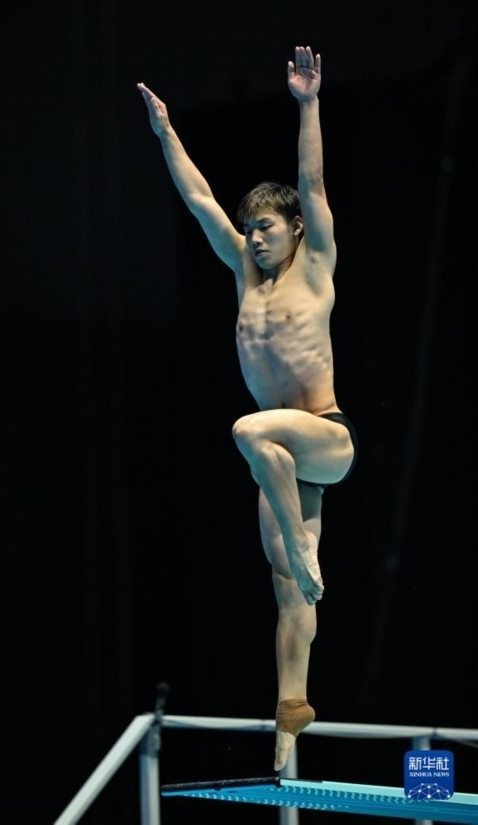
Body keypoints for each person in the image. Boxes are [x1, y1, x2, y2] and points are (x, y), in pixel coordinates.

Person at [137, 45, 358, 772]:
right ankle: (291, 715)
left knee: (248, 429)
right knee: (288, 590)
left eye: (266, 227)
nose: (255, 238)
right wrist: (167, 132)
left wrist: (307, 104)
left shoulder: (315, 263)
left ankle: (302, 543)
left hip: (324, 438)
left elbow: (311, 180)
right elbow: (198, 198)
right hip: (279, 462)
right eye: (251, 229)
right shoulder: (242, 271)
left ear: (295, 229)